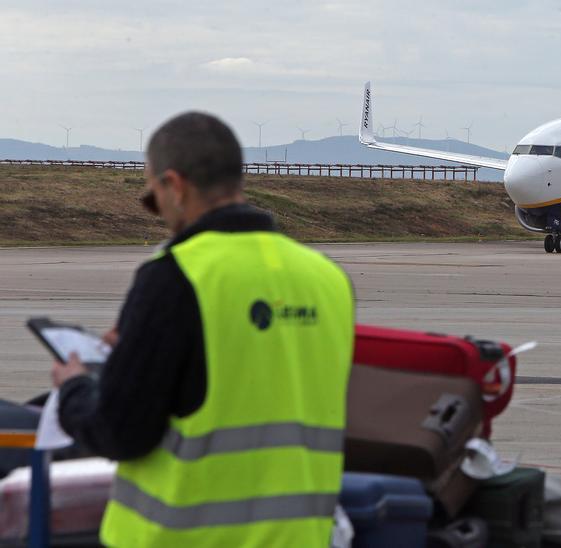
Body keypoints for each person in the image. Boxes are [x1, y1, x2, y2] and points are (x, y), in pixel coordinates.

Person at [51, 112, 355, 547]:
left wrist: (74, 389)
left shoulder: (176, 277)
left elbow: (121, 432)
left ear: (174, 185)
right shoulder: (327, 278)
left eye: (152, 195)